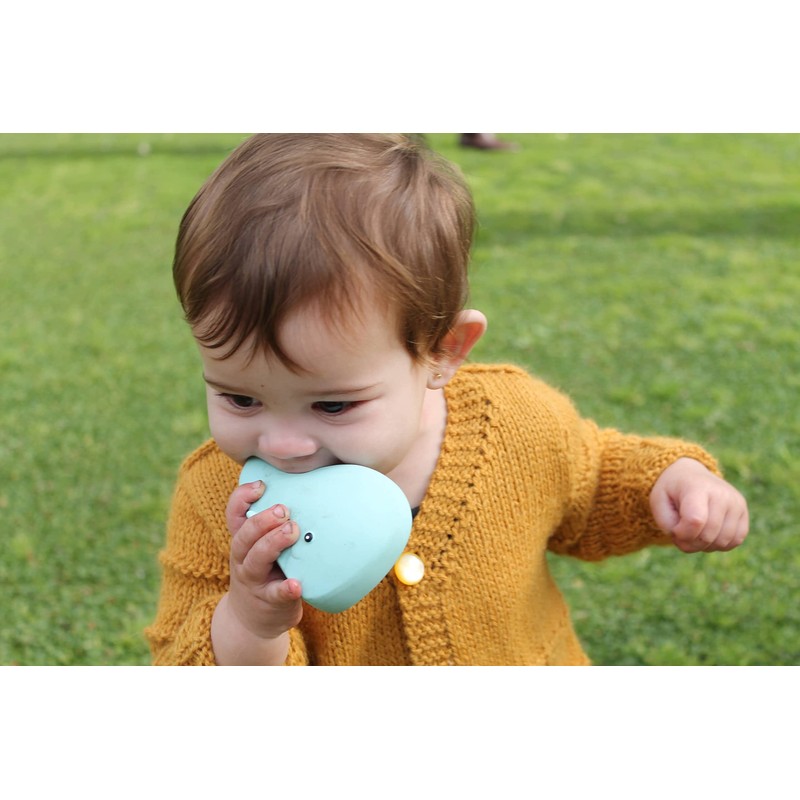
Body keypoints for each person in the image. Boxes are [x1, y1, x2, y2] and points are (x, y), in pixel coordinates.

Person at [146, 133, 749, 666]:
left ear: (443, 350)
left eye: (332, 406)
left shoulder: (515, 421)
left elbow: (593, 480)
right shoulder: (216, 499)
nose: (282, 445)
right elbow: (182, 661)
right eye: (239, 398)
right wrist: (249, 621)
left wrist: (670, 479)